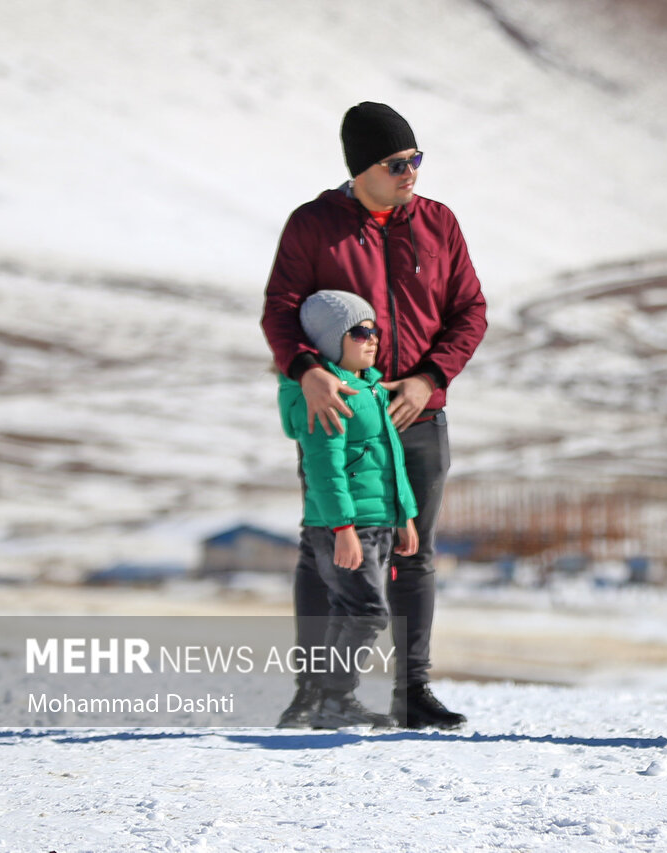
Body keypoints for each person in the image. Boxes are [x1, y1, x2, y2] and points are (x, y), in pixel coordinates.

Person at [262, 101, 487, 729]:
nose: (411, 171)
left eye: (416, 158)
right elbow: (281, 309)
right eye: (397, 162)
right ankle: (315, 692)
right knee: (326, 549)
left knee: (416, 552)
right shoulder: (315, 225)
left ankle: (410, 692)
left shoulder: (438, 223)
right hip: (342, 414)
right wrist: (308, 370)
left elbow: (470, 311)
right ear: (362, 168)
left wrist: (429, 378)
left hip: (419, 413)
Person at [277, 290, 419, 727]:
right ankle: (333, 700)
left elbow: (390, 456)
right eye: (359, 332)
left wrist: (405, 515)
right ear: (329, 340)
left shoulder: (369, 387)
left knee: (349, 612)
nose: (372, 338)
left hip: (376, 522)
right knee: (366, 613)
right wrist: (342, 528)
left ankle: (328, 702)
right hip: (346, 525)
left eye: (374, 329)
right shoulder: (331, 392)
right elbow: (324, 467)